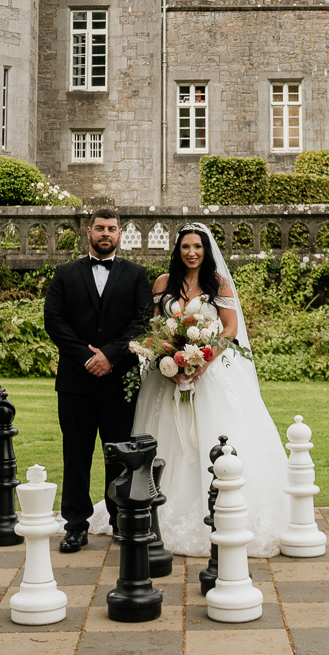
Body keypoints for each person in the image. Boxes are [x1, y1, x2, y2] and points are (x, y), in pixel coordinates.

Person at [93, 223, 289, 556]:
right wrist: (167, 362)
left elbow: (229, 328)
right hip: (166, 377)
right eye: (185, 247)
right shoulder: (163, 284)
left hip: (210, 375)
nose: (192, 252)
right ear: (177, 250)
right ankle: (153, 509)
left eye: (197, 246)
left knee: (215, 441)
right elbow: (153, 327)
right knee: (164, 441)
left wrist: (204, 359)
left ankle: (221, 510)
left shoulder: (219, 284)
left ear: (206, 249)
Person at [42, 207, 153, 553]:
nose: (106, 234)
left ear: (121, 235)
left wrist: (110, 356)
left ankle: (120, 520)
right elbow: (54, 321)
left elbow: (142, 321)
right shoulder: (64, 273)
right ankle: (76, 525)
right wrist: (88, 357)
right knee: (76, 454)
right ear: (88, 232)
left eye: (112, 229)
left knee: (118, 455)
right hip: (75, 382)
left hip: (119, 381)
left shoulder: (136, 274)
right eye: (100, 228)